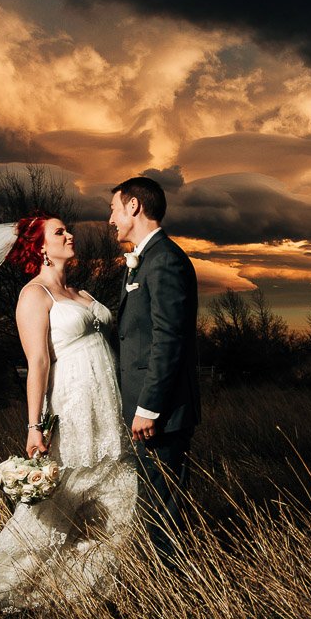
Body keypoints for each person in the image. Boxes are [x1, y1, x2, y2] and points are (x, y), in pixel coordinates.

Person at [0, 214, 138, 610]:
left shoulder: (83, 294)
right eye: (59, 232)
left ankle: (89, 587)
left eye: (67, 229)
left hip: (108, 406)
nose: (69, 235)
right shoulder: (34, 295)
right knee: (57, 506)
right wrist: (35, 426)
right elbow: (37, 363)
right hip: (71, 407)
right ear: (39, 248)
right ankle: (14, 581)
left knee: (122, 500)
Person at [109, 177, 200, 563]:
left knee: (163, 511)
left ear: (133, 206)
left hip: (161, 412)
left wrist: (148, 407)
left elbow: (169, 339)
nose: (110, 219)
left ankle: (176, 595)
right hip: (147, 410)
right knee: (154, 503)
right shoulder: (144, 261)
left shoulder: (164, 260)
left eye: (113, 209)